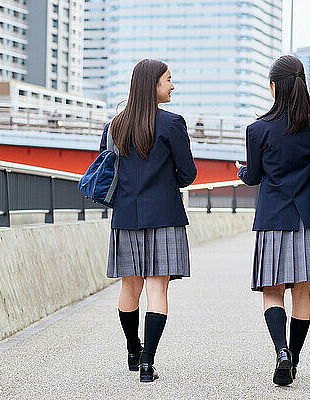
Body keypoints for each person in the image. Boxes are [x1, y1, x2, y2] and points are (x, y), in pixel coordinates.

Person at [236, 55, 310, 386]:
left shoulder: (257, 130)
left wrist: (242, 171)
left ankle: (281, 352)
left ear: (274, 88)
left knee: (272, 292)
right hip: (309, 219)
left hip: (273, 218)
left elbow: (254, 176)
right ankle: (295, 360)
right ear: (302, 84)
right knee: (303, 294)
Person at [100, 59, 197, 383]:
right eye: (169, 79)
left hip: (126, 216)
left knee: (129, 287)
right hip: (165, 216)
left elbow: (108, 171)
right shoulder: (172, 124)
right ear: (153, 84)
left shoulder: (115, 126)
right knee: (157, 290)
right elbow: (187, 175)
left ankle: (132, 349)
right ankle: (147, 362)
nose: (172, 85)